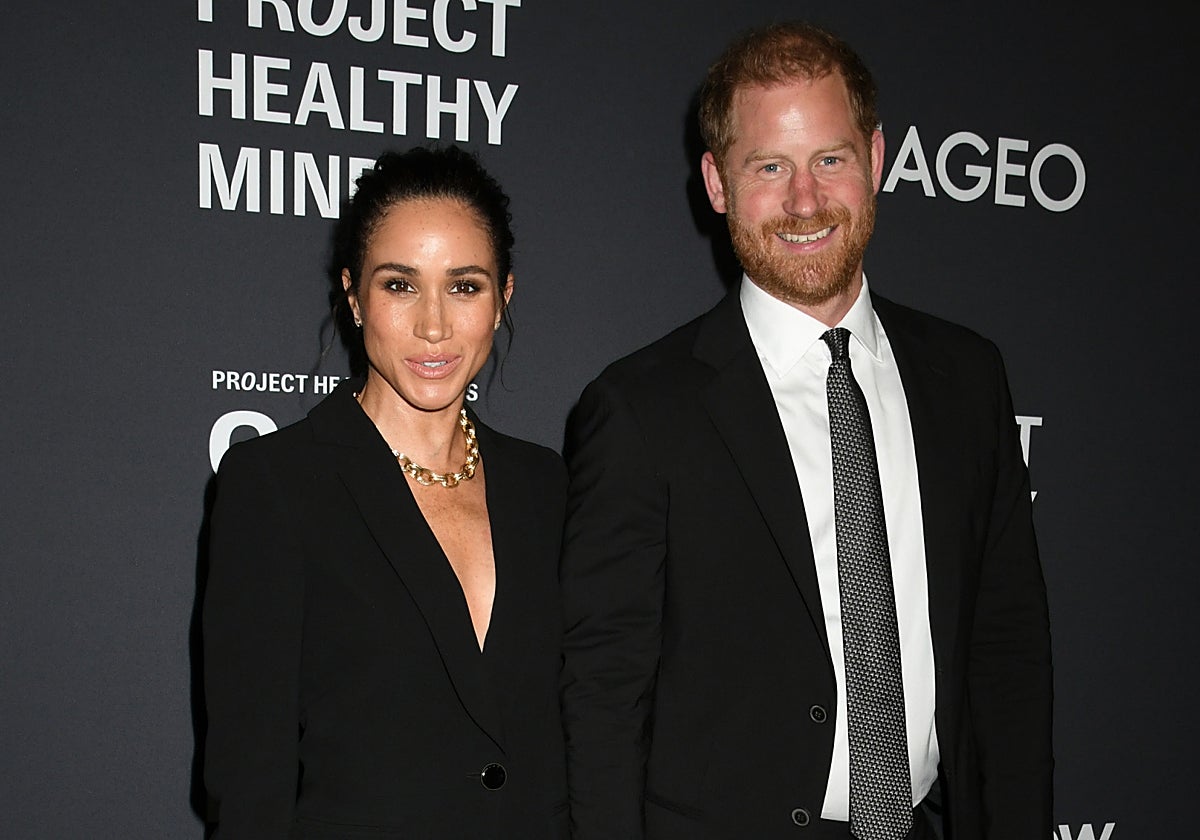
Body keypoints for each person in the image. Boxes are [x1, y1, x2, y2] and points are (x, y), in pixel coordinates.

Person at [560, 22, 1052, 840]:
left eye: (830, 159)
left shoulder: (968, 377)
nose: (805, 202)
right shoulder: (641, 409)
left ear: (878, 158)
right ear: (717, 183)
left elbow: (1008, 650)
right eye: (769, 167)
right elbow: (604, 695)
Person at [203, 145, 569, 839]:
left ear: (504, 298)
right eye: (400, 285)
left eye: (464, 286)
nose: (434, 325)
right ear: (353, 295)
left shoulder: (548, 487)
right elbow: (251, 778)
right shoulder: (276, 487)